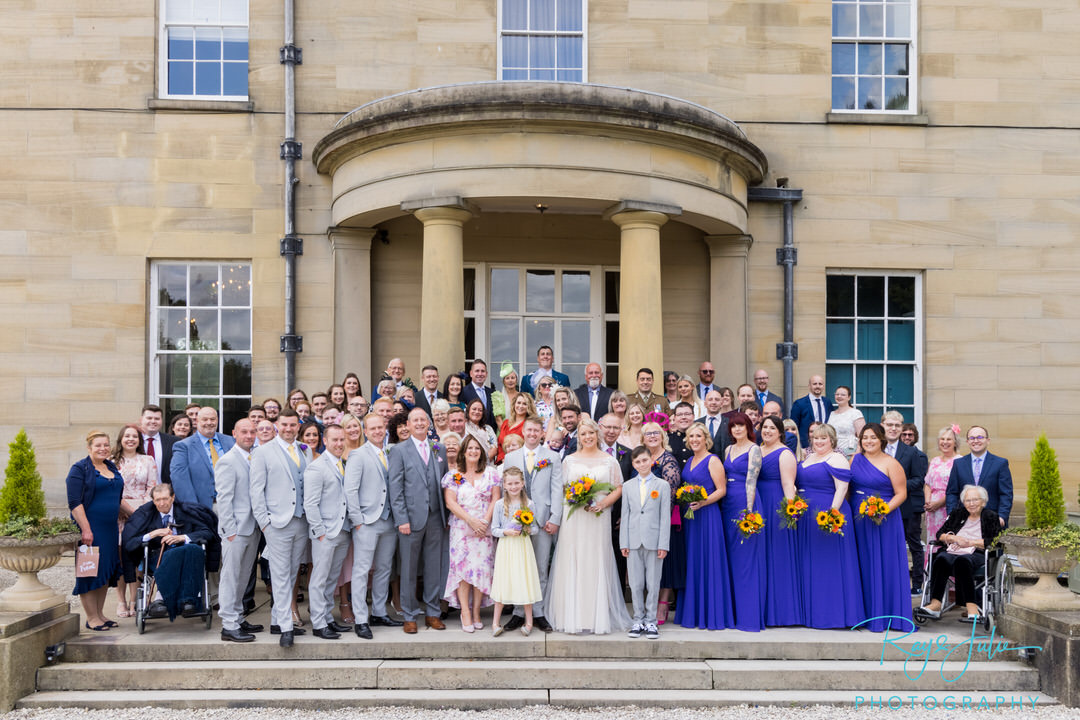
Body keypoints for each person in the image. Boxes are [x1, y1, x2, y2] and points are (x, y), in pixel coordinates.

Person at [545, 417, 632, 634]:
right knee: (573, 559)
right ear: (579, 438)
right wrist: (576, 498)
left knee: (595, 559)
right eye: (583, 434)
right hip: (574, 517)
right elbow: (562, 489)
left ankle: (596, 617)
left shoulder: (609, 461)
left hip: (598, 517)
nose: (587, 437)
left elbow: (619, 488)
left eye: (591, 433)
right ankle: (572, 616)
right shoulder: (569, 460)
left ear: (597, 434)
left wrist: (604, 503)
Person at [250, 408, 312, 647]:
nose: (288, 429)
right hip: (276, 522)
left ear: (298, 426)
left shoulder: (303, 451)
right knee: (279, 573)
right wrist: (264, 522)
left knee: (292, 571)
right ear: (277, 426)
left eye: (293, 425)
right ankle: (286, 627)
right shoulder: (263, 452)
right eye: (284, 425)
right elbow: (256, 490)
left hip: (300, 521)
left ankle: (277, 619)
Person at [795, 424, 864, 629]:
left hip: (828, 514)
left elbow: (841, 489)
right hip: (807, 515)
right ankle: (813, 613)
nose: (819, 442)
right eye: (816, 438)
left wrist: (832, 514)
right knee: (812, 564)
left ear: (832, 440)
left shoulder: (837, 458)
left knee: (830, 565)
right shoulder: (808, 458)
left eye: (823, 439)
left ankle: (833, 615)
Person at [388, 408, 449, 634]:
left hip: (435, 515)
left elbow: (444, 483)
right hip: (410, 519)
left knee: (434, 567)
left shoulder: (438, 448)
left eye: (424, 420)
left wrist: (446, 515)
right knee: (409, 568)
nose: (420, 423)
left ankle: (433, 613)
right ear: (409, 425)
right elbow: (395, 488)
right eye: (416, 420)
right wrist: (401, 518)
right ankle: (410, 615)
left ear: (429, 424)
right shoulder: (399, 450)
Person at [121, 482, 219, 621]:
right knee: (178, 553)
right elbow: (130, 543)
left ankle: (160, 598)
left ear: (172, 498)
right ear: (153, 501)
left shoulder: (186, 511)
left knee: (192, 549)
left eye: (165, 499)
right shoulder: (145, 513)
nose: (161, 503)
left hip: (187, 556)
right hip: (157, 556)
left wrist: (182, 537)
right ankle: (187, 601)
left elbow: (207, 533)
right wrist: (153, 534)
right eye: (157, 500)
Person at [344, 413, 403, 639]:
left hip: (389, 521)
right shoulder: (358, 455)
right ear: (365, 432)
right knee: (361, 570)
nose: (378, 431)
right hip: (367, 521)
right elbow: (350, 490)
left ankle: (379, 612)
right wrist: (357, 520)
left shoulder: (392, 452)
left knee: (384, 568)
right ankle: (361, 618)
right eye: (373, 428)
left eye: (381, 427)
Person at [501, 416, 562, 633]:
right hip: (517, 522)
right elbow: (504, 490)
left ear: (542, 433)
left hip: (543, 520)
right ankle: (519, 611)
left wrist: (555, 518)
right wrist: (507, 519)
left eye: (537, 430)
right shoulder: (511, 457)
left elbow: (557, 489)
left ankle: (538, 612)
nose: (533, 434)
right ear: (523, 432)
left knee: (540, 568)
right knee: (519, 568)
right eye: (529, 430)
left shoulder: (552, 457)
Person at [850, 423, 912, 633]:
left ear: (882, 440)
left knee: (882, 564)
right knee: (861, 564)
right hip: (859, 519)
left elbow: (901, 493)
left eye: (873, 437)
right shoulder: (854, 460)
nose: (868, 441)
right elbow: (848, 489)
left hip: (883, 521)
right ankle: (863, 613)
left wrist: (882, 510)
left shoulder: (891, 463)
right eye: (865, 437)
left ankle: (884, 615)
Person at [675, 422, 733, 630]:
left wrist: (703, 502)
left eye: (698, 436)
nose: (694, 440)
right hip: (691, 517)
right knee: (693, 560)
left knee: (708, 560)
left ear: (706, 438)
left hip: (708, 516)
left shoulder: (713, 460)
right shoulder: (690, 459)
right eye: (691, 437)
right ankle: (692, 611)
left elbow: (722, 489)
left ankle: (711, 613)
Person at [442, 434, 501, 631]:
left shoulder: (491, 474)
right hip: (461, 529)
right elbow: (450, 502)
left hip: (483, 529)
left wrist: (484, 522)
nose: (474, 452)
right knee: (463, 570)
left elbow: (495, 499)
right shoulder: (454, 475)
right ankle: (464, 612)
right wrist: (470, 520)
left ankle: (476, 611)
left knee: (480, 570)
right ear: (463, 452)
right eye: (470, 449)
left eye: (477, 448)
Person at [214, 418, 264, 643]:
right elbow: (224, 499)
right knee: (231, 576)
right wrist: (229, 530)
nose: (249, 436)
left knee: (244, 576)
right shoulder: (228, 461)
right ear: (234, 433)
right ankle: (228, 625)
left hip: (253, 527)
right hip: (236, 529)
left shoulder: (255, 458)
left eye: (253, 432)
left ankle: (238, 616)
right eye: (244, 432)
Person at [67, 430, 123, 631]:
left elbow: (117, 498)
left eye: (106, 445)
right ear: (89, 447)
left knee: (104, 573)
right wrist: (86, 530)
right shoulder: (79, 469)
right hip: (91, 530)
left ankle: (100, 614)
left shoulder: (110, 467)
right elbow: (75, 503)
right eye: (98, 445)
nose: (103, 449)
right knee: (89, 572)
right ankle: (91, 618)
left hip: (110, 530)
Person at [920, 485, 1002, 622]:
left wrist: (971, 542)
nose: (971, 504)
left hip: (977, 553)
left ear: (983, 501)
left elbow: (995, 541)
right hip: (953, 550)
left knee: (962, 561)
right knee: (941, 558)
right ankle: (935, 603)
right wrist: (953, 538)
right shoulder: (957, 514)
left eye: (975, 500)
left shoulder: (990, 516)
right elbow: (940, 534)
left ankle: (971, 607)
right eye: (967, 500)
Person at [303, 424, 353, 640]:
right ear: (325, 441)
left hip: (343, 531)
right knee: (320, 579)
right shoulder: (317, 467)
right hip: (325, 532)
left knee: (333, 578)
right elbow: (310, 504)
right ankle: (318, 623)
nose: (339, 444)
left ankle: (328, 618)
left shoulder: (343, 464)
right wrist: (320, 531)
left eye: (342, 440)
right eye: (335, 440)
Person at [621, 446, 671, 640]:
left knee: (653, 582)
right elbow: (625, 516)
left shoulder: (662, 485)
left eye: (644, 460)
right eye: (638, 462)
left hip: (654, 539)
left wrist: (663, 544)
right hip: (633, 540)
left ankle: (651, 620)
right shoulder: (628, 486)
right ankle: (638, 619)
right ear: (633, 464)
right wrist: (623, 542)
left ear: (651, 460)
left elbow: (664, 517)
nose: (642, 464)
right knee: (635, 583)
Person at [757, 416, 802, 627]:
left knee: (778, 555)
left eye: (772, 428)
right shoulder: (758, 449)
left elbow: (788, 484)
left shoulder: (785, 454)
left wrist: (790, 512)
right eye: (764, 427)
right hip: (758, 502)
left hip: (775, 504)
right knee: (762, 555)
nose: (767, 431)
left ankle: (782, 612)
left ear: (780, 432)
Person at [721, 412, 765, 631]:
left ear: (748, 427)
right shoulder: (728, 449)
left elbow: (751, 481)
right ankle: (732, 613)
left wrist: (748, 511)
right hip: (726, 503)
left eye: (741, 426)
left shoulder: (754, 449)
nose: (737, 429)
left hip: (744, 502)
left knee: (745, 558)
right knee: (730, 558)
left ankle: (748, 616)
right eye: (733, 426)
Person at [111, 424, 158, 618]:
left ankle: (134, 601)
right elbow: (110, 489)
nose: (131, 439)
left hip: (142, 515)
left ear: (139, 440)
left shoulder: (148, 460)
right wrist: (125, 509)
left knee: (137, 558)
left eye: (135, 437)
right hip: (118, 515)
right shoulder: (111, 462)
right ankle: (121, 601)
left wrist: (139, 513)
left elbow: (152, 487)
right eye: (127, 436)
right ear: (121, 439)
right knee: (121, 559)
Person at [490, 467, 543, 636]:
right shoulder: (499, 504)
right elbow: (494, 530)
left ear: (522, 484)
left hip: (522, 547)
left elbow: (536, 529)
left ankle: (528, 622)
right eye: (509, 483)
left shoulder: (529, 504)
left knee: (524, 580)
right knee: (503, 580)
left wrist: (527, 529)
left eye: (516, 483)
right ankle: (495, 622)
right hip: (506, 548)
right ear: (504, 485)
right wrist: (505, 532)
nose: (513, 487)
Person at [881, 410, 928, 595]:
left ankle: (915, 583)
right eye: (889, 424)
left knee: (911, 545)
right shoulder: (874, 449)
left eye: (897, 425)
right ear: (882, 425)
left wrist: (897, 485)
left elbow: (918, 479)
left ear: (901, 428)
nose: (893, 429)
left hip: (906, 508)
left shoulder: (911, 452)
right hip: (877, 506)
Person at [642, 422, 683, 625]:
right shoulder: (641, 458)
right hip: (642, 520)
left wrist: (661, 519)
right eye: (648, 433)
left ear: (662, 436)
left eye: (656, 433)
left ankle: (663, 604)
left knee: (665, 562)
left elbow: (671, 492)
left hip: (662, 518)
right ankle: (648, 603)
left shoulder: (668, 460)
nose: (652, 436)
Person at [945, 426, 1013, 527]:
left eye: (980, 437)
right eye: (972, 438)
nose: (976, 441)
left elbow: (1006, 494)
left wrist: (1002, 516)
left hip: (992, 520)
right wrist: (952, 515)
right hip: (964, 521)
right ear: (967, 442)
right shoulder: (958, 464)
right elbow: (952, 493)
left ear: (988, 440)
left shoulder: (1000, 463)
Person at [171, 406, 235, 510]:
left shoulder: (231, 442)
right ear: (197, 421)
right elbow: (180, 481)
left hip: (232, 506)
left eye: (213, 419)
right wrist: (194, 510)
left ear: (217, 420)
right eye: (205, 419)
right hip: (203, 508)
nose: (209, 422)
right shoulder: (183, 446)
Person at [925, 425, 960, 541]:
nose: (945, 442)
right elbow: (928, 483)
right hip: (931, 509)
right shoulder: (935, 461)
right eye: (942, 439)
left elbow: (958, 488)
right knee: (932, 539)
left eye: (949, 439)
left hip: (948, 506)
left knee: (946, 538)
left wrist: (939, 503)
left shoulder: (960, 461)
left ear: (955, 442)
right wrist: (928, 501)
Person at [790, 375, 833, 451]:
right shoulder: (799, 404)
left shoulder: (827, 402)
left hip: (825, 444)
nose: (818, 386)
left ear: (823, 386)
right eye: (815, 384)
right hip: (806, 446)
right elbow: (794, 426)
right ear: (809, 386)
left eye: (820, 384)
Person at [140, 404, 177, 485]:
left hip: (165, 493)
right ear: (141, 419)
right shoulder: (133, 441)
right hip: (138, 494)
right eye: (149, 418)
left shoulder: (174, 442)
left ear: (161, 421)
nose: (153, 421)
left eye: (157, 418)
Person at [827, 385, 864, 459]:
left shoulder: (855, 413)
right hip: (832, 451)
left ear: (849, 397)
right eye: (837, 394)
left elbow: (862, 435)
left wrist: (858, 451)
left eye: (843, 395)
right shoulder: (832, 414)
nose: (839, 396)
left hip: (849, 451)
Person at [496, 393, 534, 464]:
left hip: (519, 463)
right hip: (502, 462)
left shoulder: (530, 425)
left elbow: (530, 447)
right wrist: (503, 459)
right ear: (514, 404)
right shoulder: (506, 423)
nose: (520, 406)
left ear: (529, 407)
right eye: (518, 403)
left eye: (524, 404)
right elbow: (500, 445)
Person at [461, 359, 498, 429]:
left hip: (490, 434)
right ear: (471, 373)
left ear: (486, 374)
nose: (480, 374)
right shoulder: (463, 392)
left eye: (482, 371)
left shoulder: (492, 393)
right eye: (477, 371)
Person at [697, 390, 731, 459]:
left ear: (721, 403)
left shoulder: (729, 423)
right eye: (710, 399)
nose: (713, 402)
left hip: (724, 466)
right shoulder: (697, 424)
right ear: (705, 404)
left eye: (717, 400)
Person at [667, 402, 696, 466]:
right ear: (674, 418)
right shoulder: (667, 440)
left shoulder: (702, 439)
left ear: (693, 416)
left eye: (687, 414)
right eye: (679, 414)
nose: (683, 417)